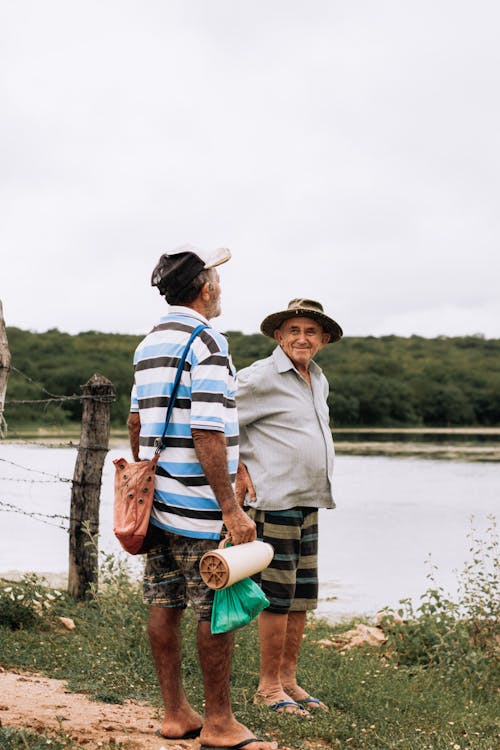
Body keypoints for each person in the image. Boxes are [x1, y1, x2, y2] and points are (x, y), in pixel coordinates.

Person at [127, 245, 277, 750]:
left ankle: (175, 715)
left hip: (159, 504)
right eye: (218, 282)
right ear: (205, 289)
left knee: (163, 602)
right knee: (217, 607)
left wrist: (153, 482)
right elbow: (207, 429)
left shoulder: (148, 344)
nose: (221, 291)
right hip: (199, 507)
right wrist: (230, 509)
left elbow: (135, 422)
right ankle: (218, 724)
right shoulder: (208, 339)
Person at [235, 298, 343, 716]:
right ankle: (266, 689)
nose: (302, 338)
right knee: (276, 596)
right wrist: (237, 467)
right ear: (279, 336)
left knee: (300, 596)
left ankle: (288, 681)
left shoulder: (318, 378)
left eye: (311, 332)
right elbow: (216, 420)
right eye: (293, 330)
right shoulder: (260, 377)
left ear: (324, 340)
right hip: (274, 501)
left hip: (309, 501)